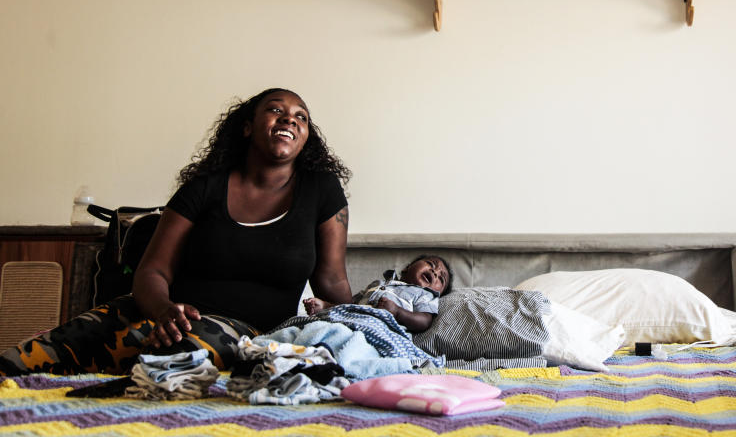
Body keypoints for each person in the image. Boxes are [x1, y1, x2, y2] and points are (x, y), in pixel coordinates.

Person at [0, 88, 352, 376]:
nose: (290, 117)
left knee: (160, 354)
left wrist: (359, 328)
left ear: (306, 136)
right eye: (276, 109)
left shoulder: (321, 191)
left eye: (301, 116)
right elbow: (153, 271)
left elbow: (333, 282)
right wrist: (164, 310)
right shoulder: (204, 187)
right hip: (162, 312)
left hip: (249, 332)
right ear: (247, 127)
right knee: (28, 357)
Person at [303, 255, 452, 333]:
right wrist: (326, 306)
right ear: (407, 268)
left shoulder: (426, 295)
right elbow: (350, 306)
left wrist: (397, 312)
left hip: (381, 331)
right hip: (352, 321)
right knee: (314, 330)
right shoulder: (378, 284)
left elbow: (424, 321)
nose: (435, 272)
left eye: (441, 278)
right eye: (431, 265)